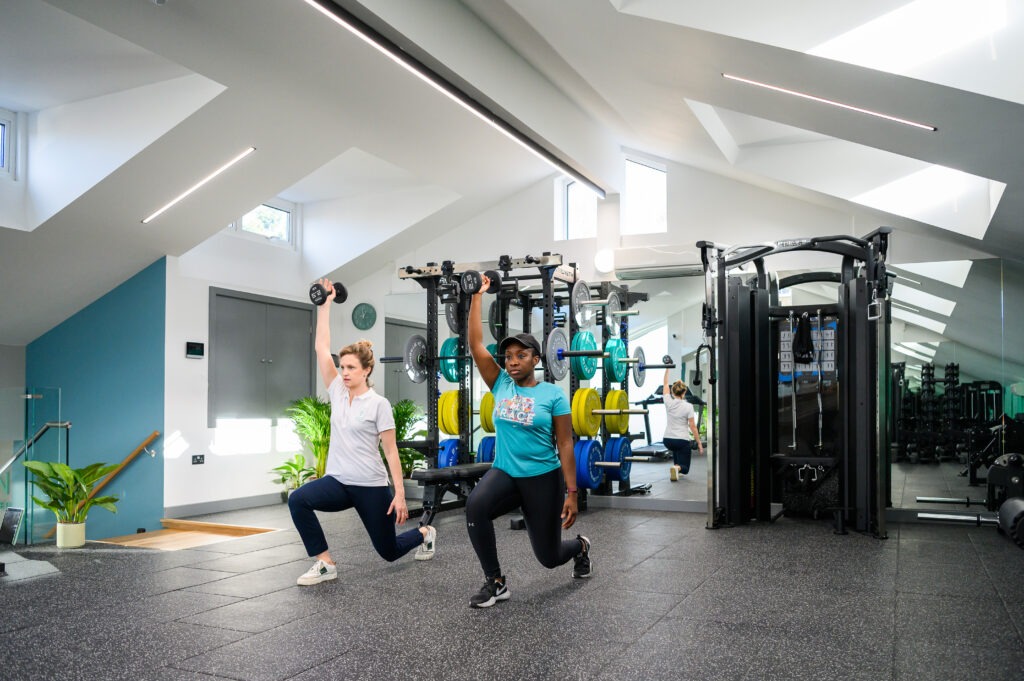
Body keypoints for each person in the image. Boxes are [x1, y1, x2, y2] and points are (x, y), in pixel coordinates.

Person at [288, 278, 436, 585]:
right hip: (339, 481)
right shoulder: (337, 392)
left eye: (350, 368)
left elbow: (391, 451)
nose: (343, 373)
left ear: (366, 370)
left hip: (370, 485)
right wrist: (325, 304)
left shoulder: (378, 404)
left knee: (389, 551)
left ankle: (424, 532)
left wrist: (398, 494)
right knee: (298, 500)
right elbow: (321, 346)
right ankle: (325, 562)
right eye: (342, 367)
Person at [463, 273, 591, 608]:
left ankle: (579, 547)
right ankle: (496, 581)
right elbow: (476, 345)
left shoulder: (553, 396)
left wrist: (572, 492)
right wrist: (477, 295)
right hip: (505, 472)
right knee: (475, 505)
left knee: (548, 558)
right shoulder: (501, 384)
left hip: (542, 479)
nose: (513, 362)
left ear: (536, 359)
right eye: (509, 357)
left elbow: (565, 444)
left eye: (521, 355)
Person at [663, 369, 703, 481]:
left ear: (672, 391)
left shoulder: (668, 401)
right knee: (685, 468)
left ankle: (676, 469)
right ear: (684, 392)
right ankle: (678, 467)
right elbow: (693, 427)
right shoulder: (688, 406)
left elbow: (665, 383)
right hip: (681, 440)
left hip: (667, 440)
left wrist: (667, 369)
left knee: (677, 449)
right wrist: (699, 443)